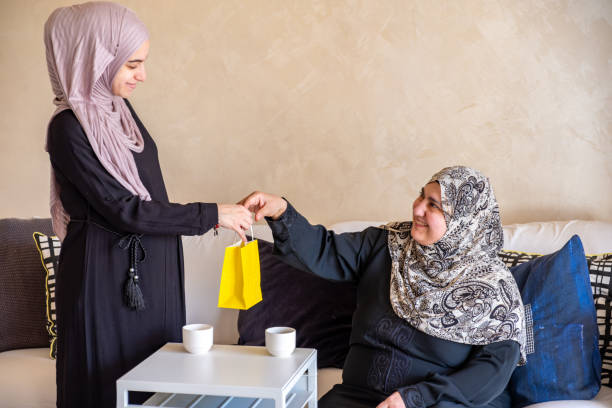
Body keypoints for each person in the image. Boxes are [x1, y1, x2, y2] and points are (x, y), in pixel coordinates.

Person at [43, 2, 252, 407]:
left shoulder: (119, 112)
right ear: (94, 59)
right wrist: (211, 213)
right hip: (104, 280)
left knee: (159, 389)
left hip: (152, 275)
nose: (143, 75)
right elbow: (123, 208)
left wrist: (213, 217)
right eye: (132, 64)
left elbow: (148, 199)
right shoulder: (68, 128)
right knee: (107, 388)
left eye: (143, 62)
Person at [239, 166, 527, 408]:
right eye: (421, 196)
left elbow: (492, 372)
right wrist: (280, 211)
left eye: (434, 205)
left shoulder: (494, 288)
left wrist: (413, 398)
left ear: (465, 223)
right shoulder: (388, 243)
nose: (417, 208)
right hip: (355, 398)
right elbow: (324, 251)